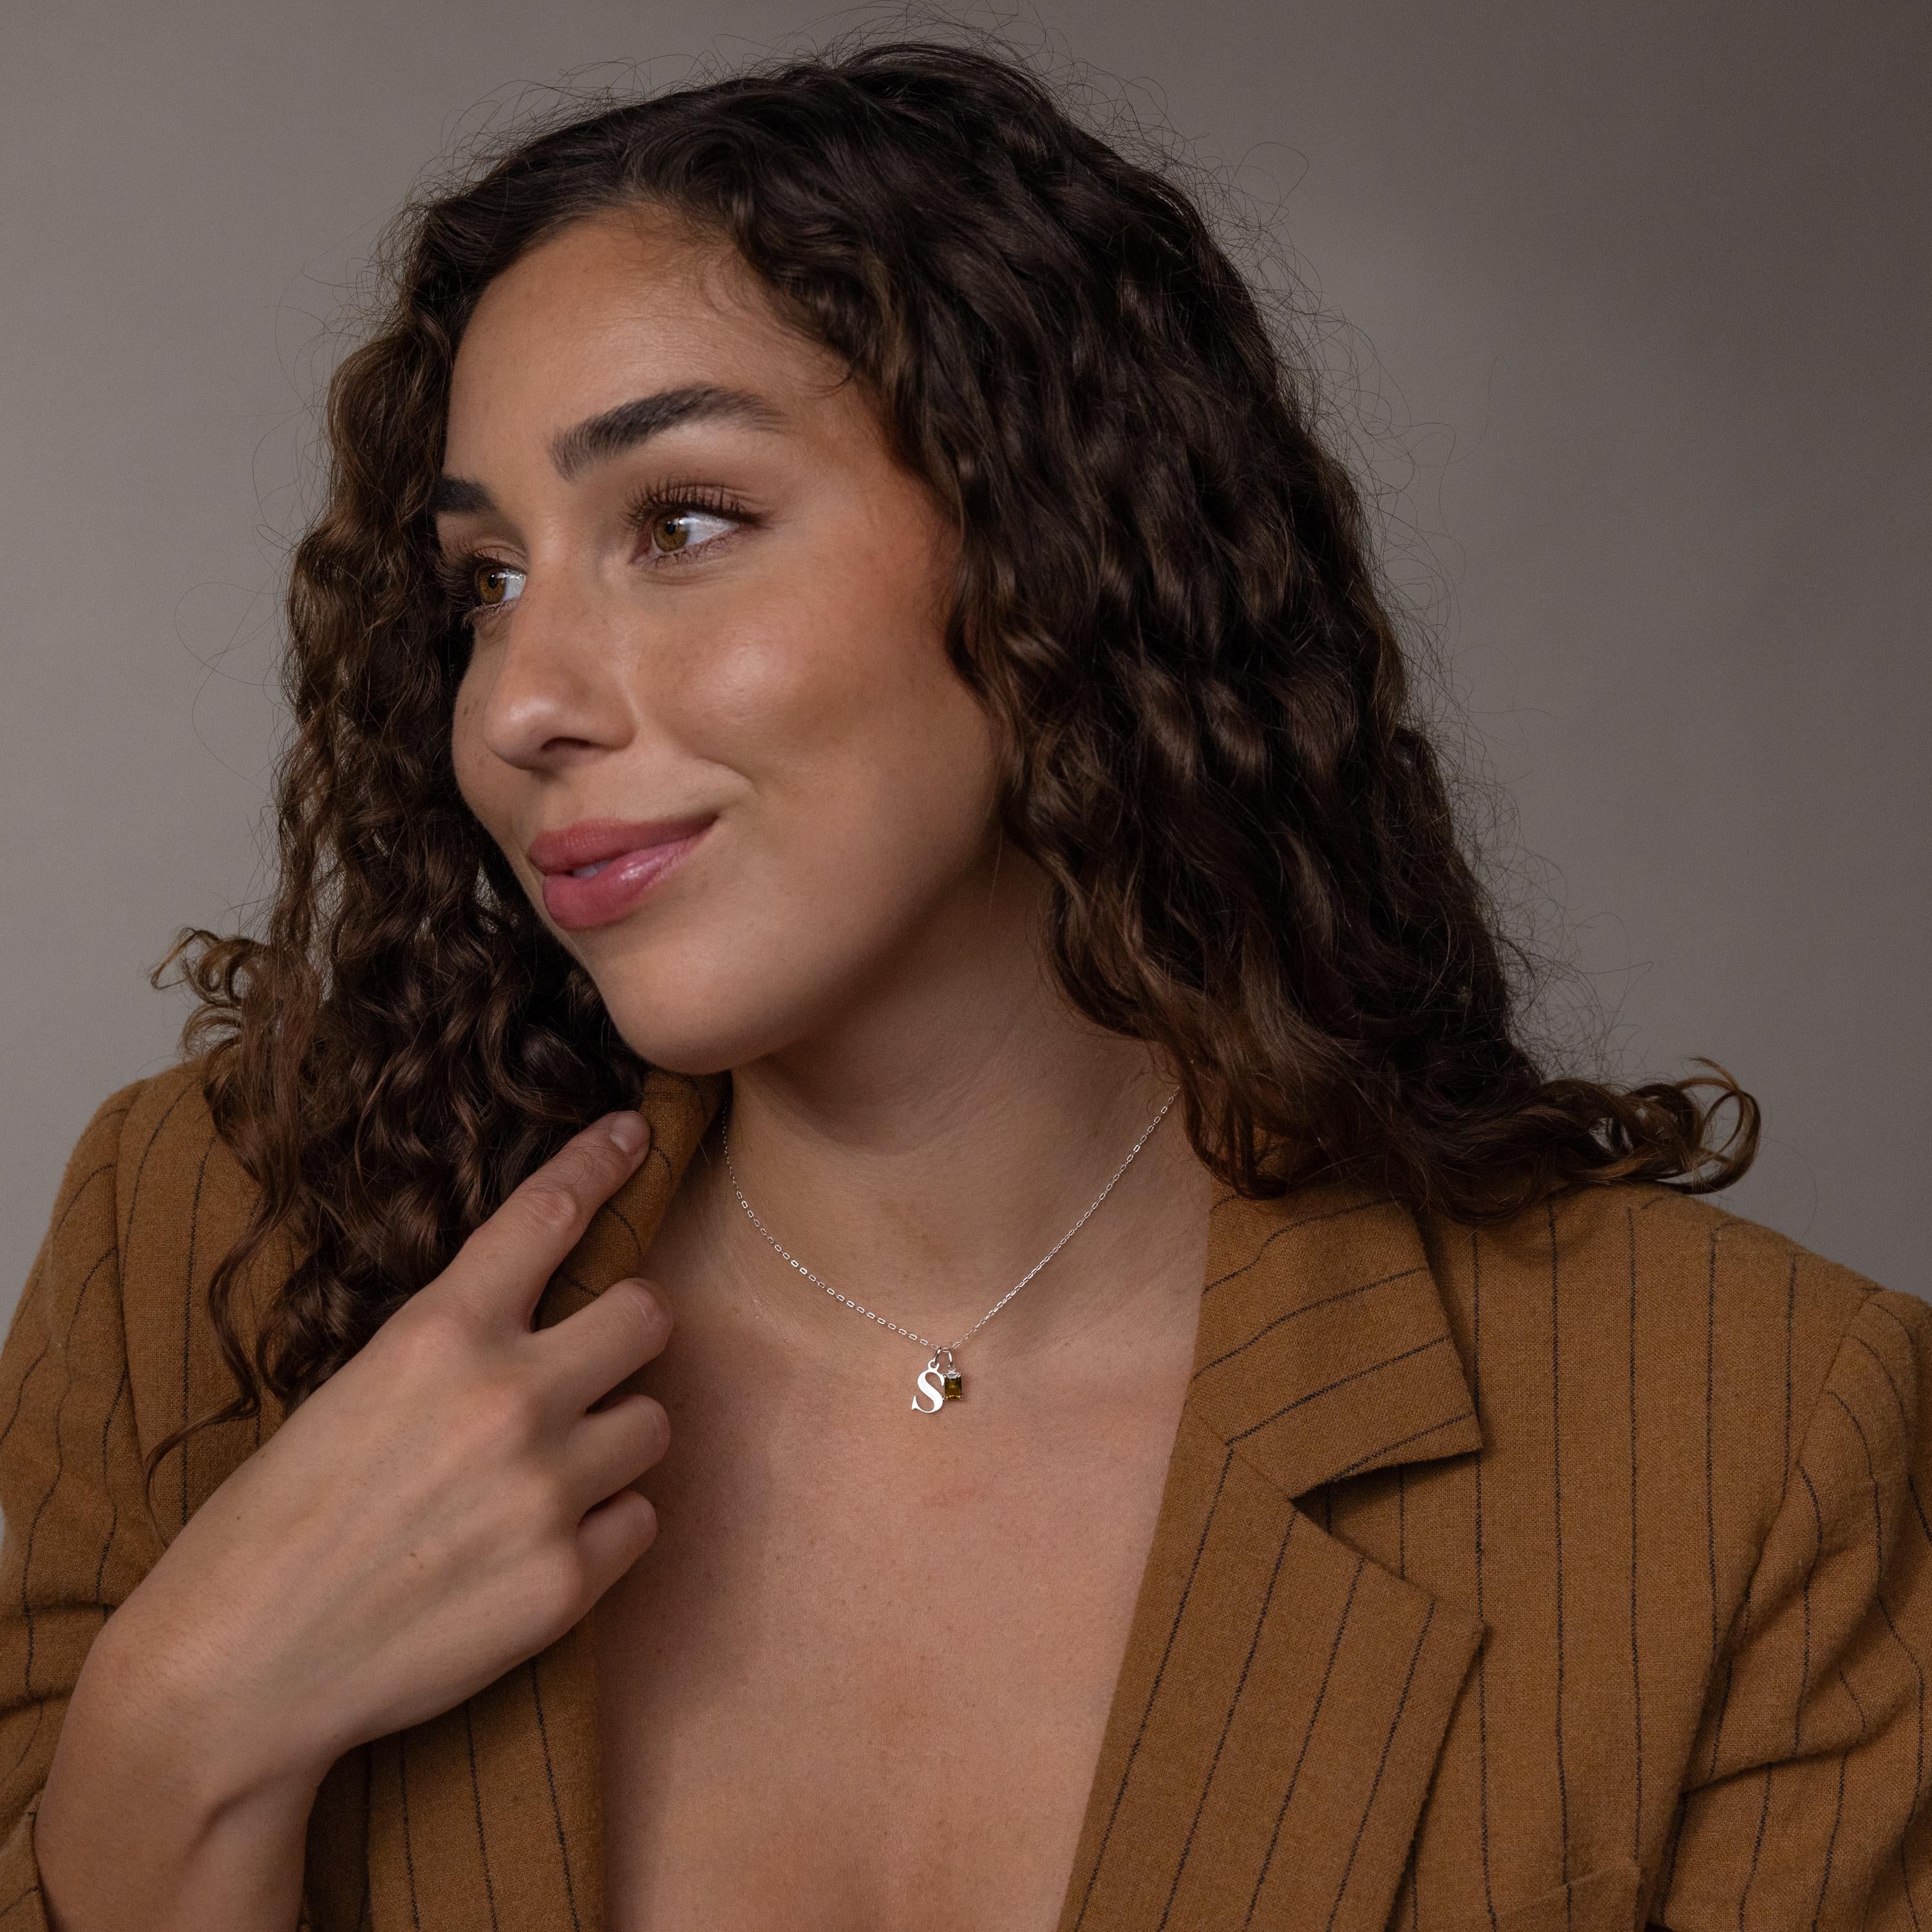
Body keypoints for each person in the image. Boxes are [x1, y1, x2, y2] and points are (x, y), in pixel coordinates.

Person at [3, 33, 1924, 1932]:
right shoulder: (220, 1262)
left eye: (680, 524)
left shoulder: (1750, 1440)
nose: (518, 706)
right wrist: (184, 1737)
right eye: (484, 583)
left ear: (1058, 546)